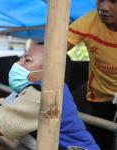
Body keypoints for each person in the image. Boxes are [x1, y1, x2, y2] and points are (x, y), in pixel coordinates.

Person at [67, 0, 117, 149]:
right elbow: (55, 48)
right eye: (100, 0)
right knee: (101, 143)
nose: (103, 7)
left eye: (113, 1)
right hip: (99, 98)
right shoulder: (90, 20)